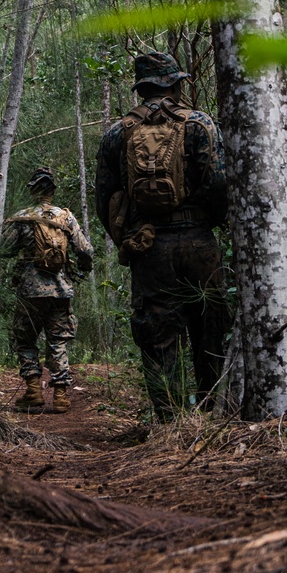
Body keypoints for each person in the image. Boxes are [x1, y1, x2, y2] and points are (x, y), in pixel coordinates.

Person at [95, 52, 229, 421]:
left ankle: (169, 424)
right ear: (176, 83)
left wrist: (131, 237)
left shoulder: (117, 133)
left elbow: (104, 201)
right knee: (210, 328)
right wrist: (209, 222)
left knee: (157, 334)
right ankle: (212, 414)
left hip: (149, 245)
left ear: (142, 88)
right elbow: (219, 184)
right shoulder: (200, 124)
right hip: (199, 241)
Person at [1, 166, 93, 414]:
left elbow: (3, 250)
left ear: (33, 191)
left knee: (25, 339)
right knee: (57, 342)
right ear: (52, 191)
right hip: (60, 292)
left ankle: (33, 391)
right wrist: (83, 268)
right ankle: (61, 396)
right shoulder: (66, 217)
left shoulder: (22, 217)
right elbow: (85, 251)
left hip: (30, 292)